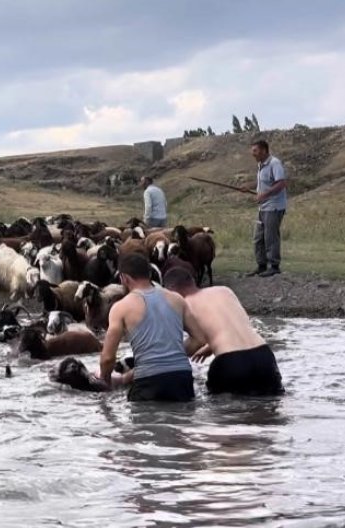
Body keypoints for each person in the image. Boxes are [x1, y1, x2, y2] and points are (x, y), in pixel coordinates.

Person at [98, 253, 209, 402]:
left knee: (146, 423)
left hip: (148, 381)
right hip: (182, 378)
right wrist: (172, 355)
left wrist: (105, 381)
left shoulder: (121, 308)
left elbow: (107, 358)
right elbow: (200, 338)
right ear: (150, 273)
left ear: (124, 278)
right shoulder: (177, 299)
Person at [161, 268, 285, 396]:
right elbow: (235, 324)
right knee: (270, 406)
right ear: (192, 281)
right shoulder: (224, 290)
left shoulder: (183, 304)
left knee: (223, 410)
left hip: (231, 362)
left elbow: (196, 341)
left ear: (171, 290)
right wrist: (211, 344)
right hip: (263, 355)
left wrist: (170, 356)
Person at [249, 139, 288, 278]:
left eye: (255, 150)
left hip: (274, 206)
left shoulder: (274, 163)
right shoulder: (260, 165)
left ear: (264, 150)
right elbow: (265, 185)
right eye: (252, 151)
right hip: (263, 207)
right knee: (258, 238)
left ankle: (274, 266)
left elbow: (281, 183)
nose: (253, 154)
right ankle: (261, 266)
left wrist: (264, 194)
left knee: (270, 237)